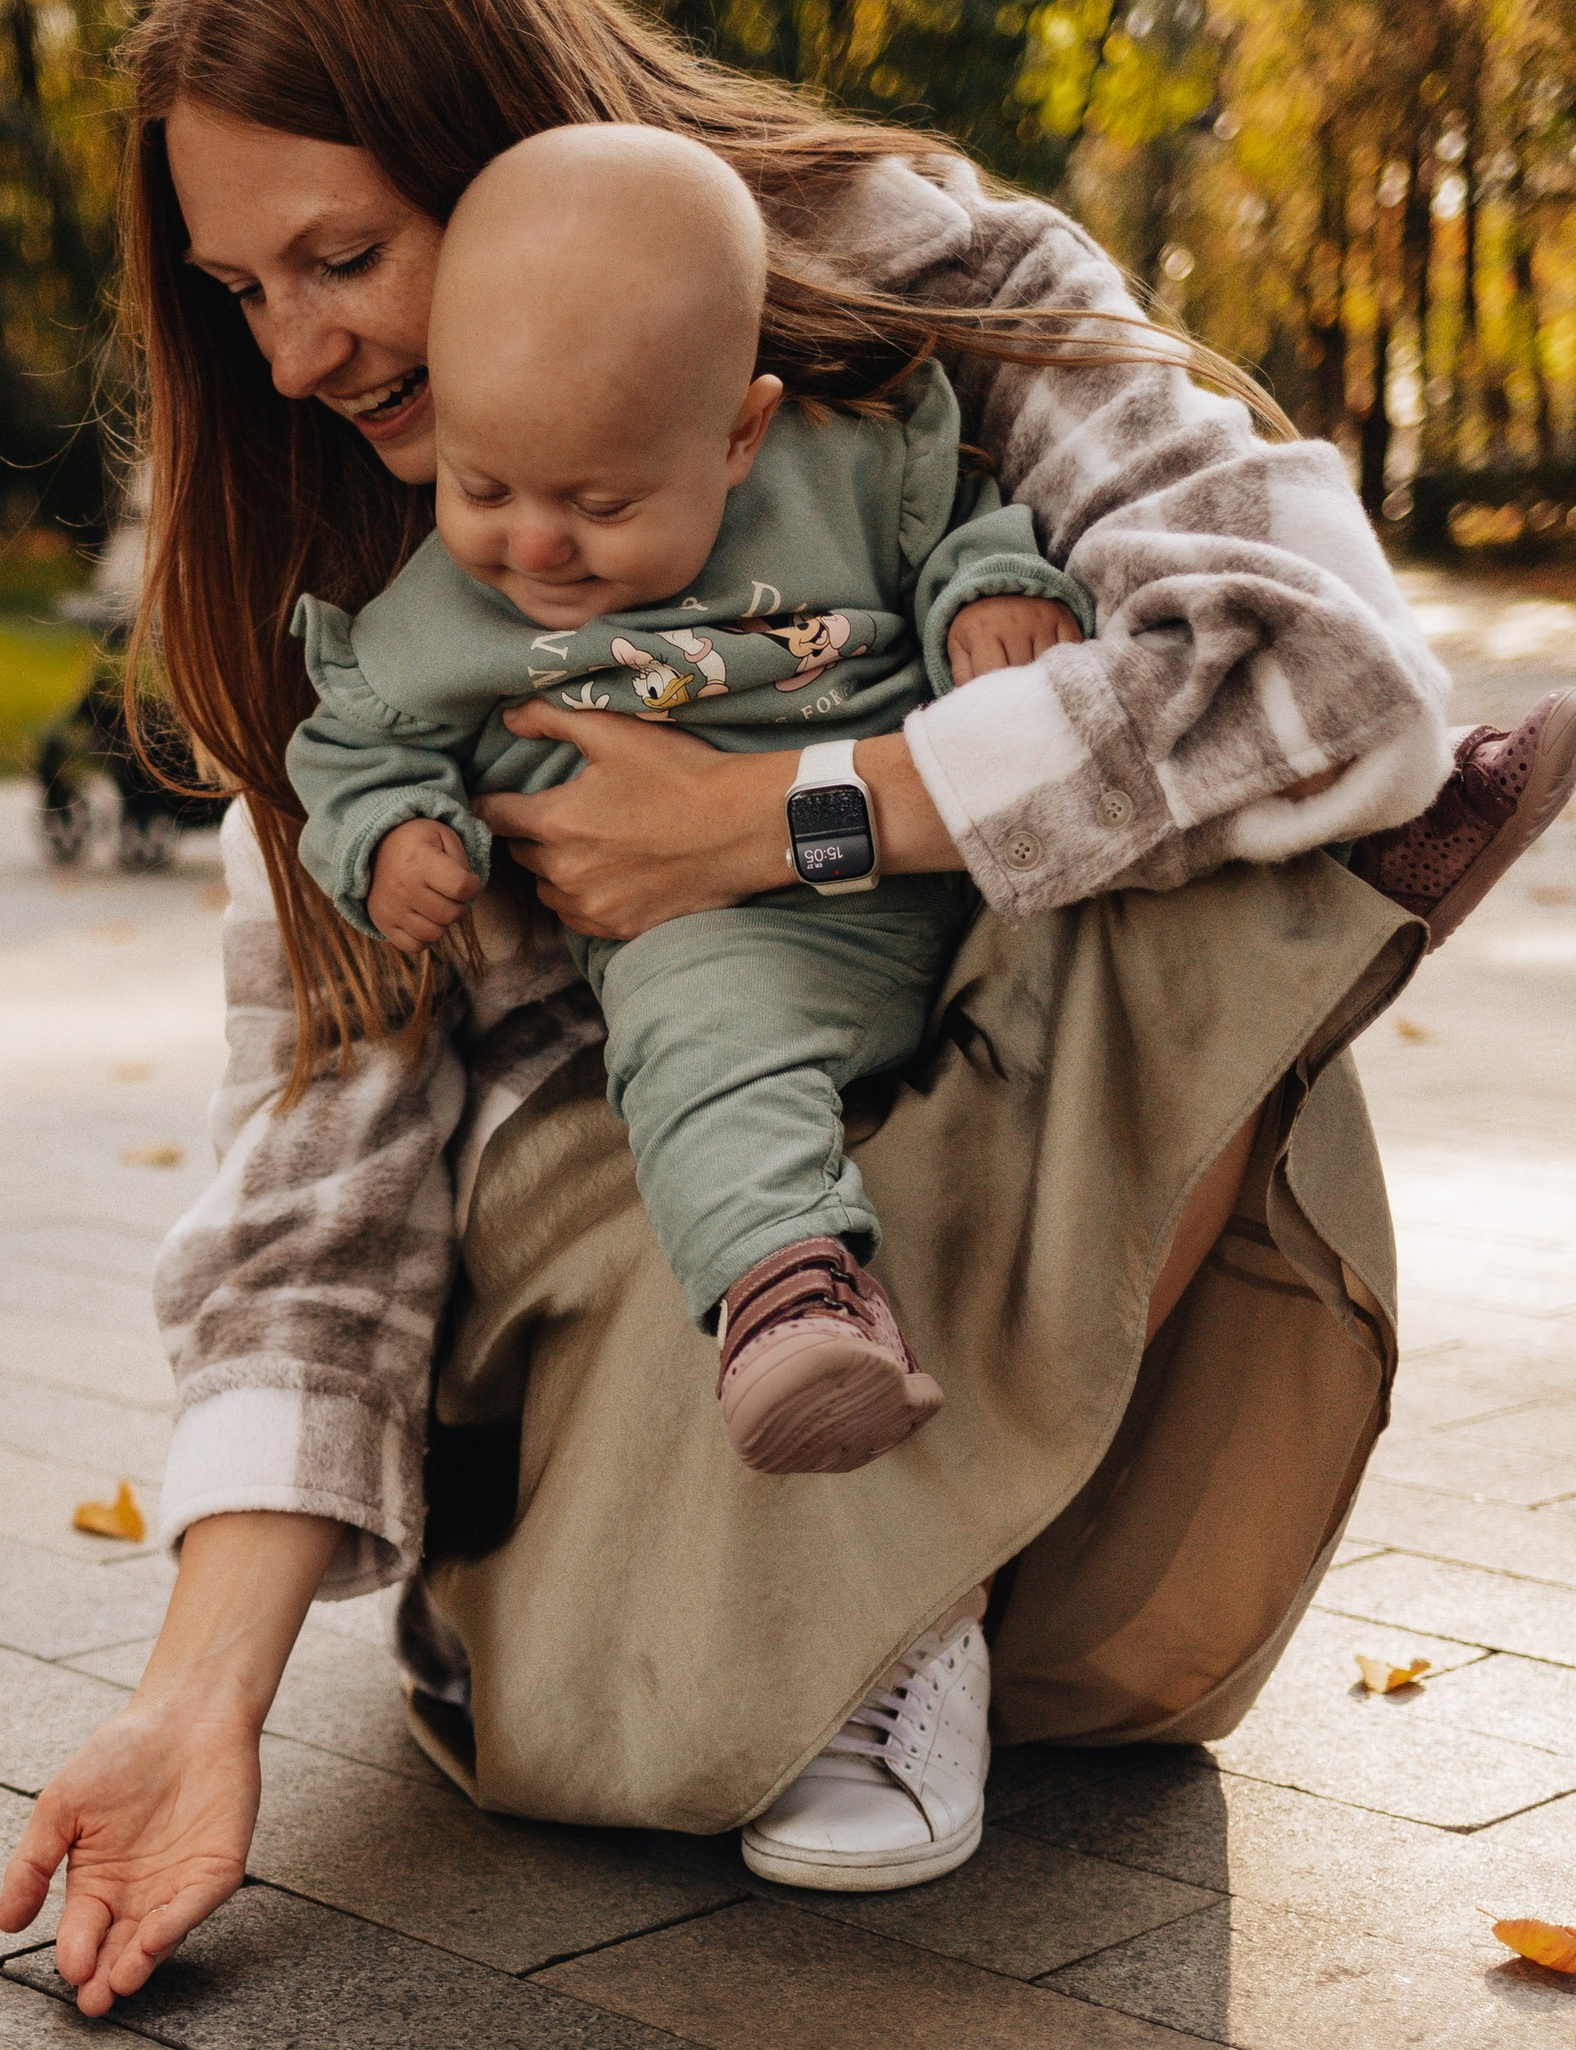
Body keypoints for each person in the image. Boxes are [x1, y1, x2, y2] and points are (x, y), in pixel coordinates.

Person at [0, 0, 1570, 1982]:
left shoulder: (899, 279)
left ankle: (900, 1604)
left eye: (336, 257)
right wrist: (200, 1698)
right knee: (607, 1700)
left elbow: (1328, 678)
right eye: (232, 289)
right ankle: (847, 1588)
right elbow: (325, 1130)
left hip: (986, 1065)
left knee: (1200, 827)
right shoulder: (344, 559)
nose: (284, 355)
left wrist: (794, 818)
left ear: (506, 150)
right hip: (632, 1232)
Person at [286, 122, 1096, 1476]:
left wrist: (993, 592)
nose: (534, 542)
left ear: (739, 435)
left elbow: (965, 523)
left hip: (969, 855)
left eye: (601, 501)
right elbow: (356, 743)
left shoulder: (847, 464)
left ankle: (1369, 870)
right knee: (696, 1052)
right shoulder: (438, 616)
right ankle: (788, 1297)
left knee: (1151, 847)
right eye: (483, 485)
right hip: (730, 941)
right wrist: (391, 840)